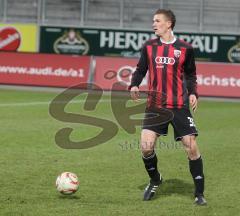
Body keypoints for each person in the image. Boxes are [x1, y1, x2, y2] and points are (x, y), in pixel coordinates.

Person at [129, 9, 207, 205]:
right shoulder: (149, 47)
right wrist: (134, 84)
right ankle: (155, 180)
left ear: (169, 24)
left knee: (191, 147)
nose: (153, 24)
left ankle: (199, 193)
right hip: (155, 105)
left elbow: (190, 75)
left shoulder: (185, 48)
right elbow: (141, 69)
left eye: (157, 21)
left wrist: (193, 93)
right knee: (146, 147)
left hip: (179, 105)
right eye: (153, 20)